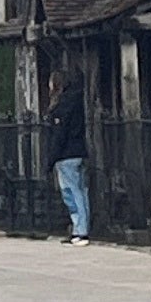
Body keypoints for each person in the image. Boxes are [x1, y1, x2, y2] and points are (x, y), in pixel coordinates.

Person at [47, 87, 93, 247]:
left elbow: (59, 135)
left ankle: (80, 231)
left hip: (66, 155)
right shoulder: (78, 105)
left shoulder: (62, 108)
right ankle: (82, 228)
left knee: (71, 193)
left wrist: (50, 160)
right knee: (81, 191)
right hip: (79, 152)